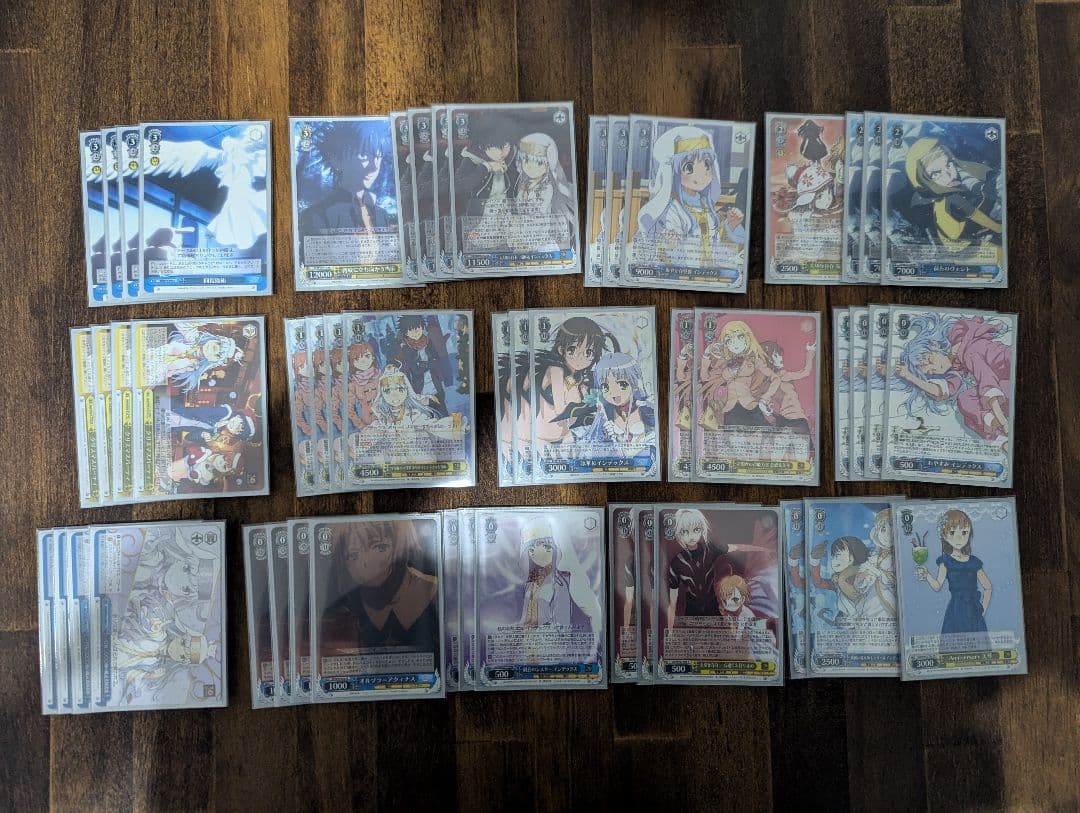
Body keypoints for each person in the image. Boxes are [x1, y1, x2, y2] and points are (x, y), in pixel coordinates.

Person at [321, 520, 439, 650]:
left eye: (380, 547)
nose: (365, 562)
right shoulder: (348, 605)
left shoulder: (433, 591)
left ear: (398, 547)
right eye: (352, 555)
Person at [916, 509, 992, 641]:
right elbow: (937, 586)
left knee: (978, 645)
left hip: (974, 611)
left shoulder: (974, 562)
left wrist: (983, 609)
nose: (959, 538)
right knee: (954, 645)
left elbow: (988, 587)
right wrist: (927, 575)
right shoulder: (945, 561)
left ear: (969, 534)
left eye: (964, 532)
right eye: (952, 533)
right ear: (944, 536)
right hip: (956, 611)